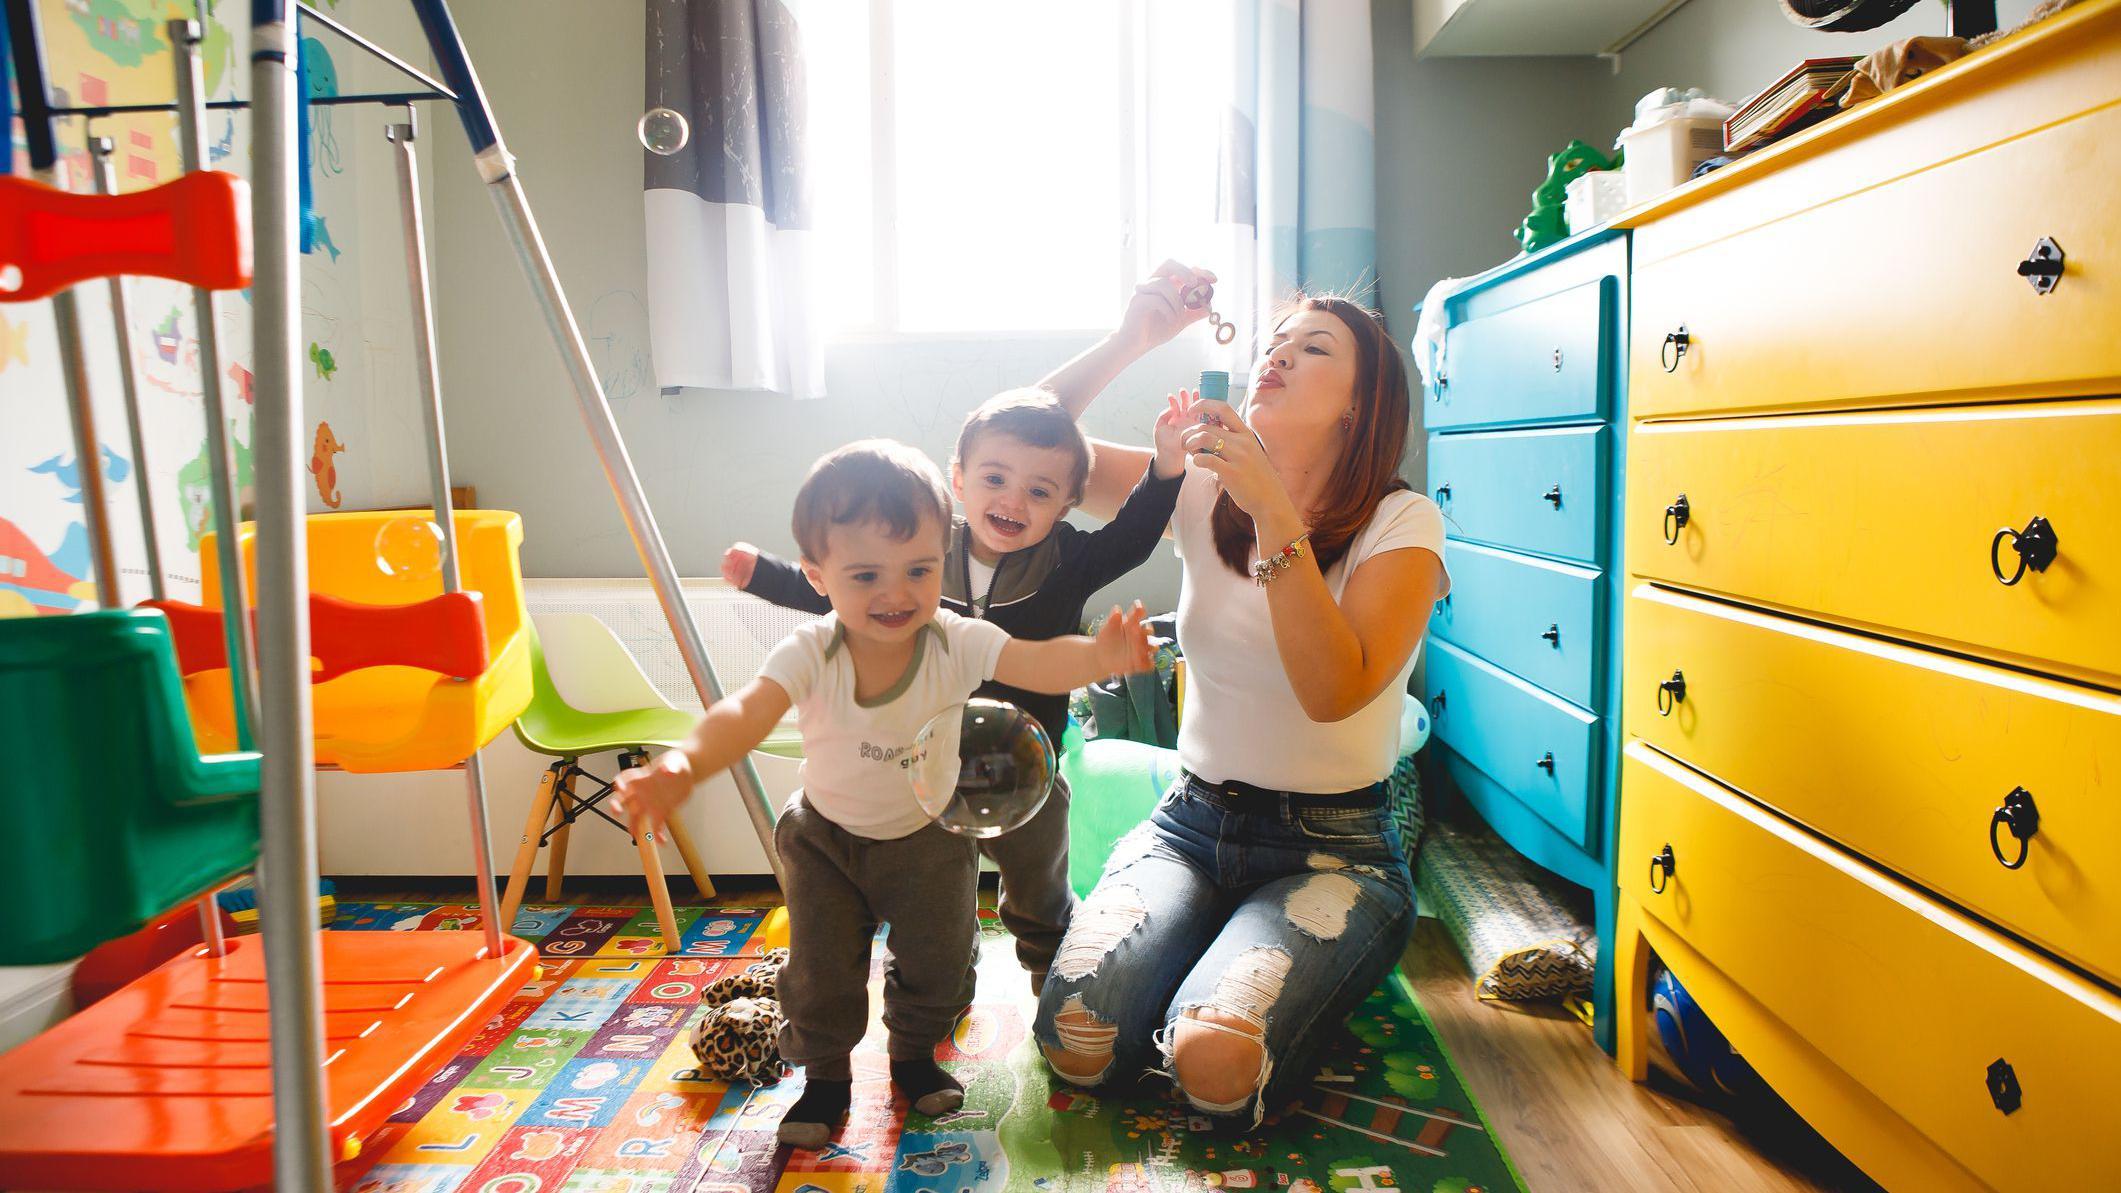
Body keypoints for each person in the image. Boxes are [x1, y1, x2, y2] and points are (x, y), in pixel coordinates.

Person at [615, 439, 1154, 1149]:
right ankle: (826, 1077)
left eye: (919, 569)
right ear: (816, 575)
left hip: (927, 838)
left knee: (938, 958)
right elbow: (743, 713)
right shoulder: (811, 650)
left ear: (944, 555)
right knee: (819, 968)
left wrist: (1098, 656)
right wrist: (682, 767)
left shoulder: (953, 638)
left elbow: (1032, 659)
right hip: (824, 840)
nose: (896, 594)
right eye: (865, 574)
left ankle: (911, 1054)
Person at [1028, 264, 1451, 1129]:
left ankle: (1246, 985)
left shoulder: (1401, 524)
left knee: (1214, 1069)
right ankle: (1217, 958)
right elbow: (1018, 447)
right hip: (1190, 826)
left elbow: (1331, 692)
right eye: (1272, 346)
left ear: (1359, 406)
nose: (1276, 357)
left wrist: (1272, 513)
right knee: (1079, 1042)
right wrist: (1133, 336)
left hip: (1335, 849)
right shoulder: (1196, 481)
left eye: (1312, 347)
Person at [724, 391, 1188, 992]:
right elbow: (835, 586)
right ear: (959, 480)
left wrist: (1167, 468)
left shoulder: (1069, 558)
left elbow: (1131, 537)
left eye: (1040, 492)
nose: (1013, 501)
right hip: (927, 762)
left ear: (1066, 505)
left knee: (1036, 882)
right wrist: (761, 573)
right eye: (995, 478)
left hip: (1026, 765)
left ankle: (1050, 970)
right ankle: (947, 969)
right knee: (937, 893)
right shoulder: (922, 551)